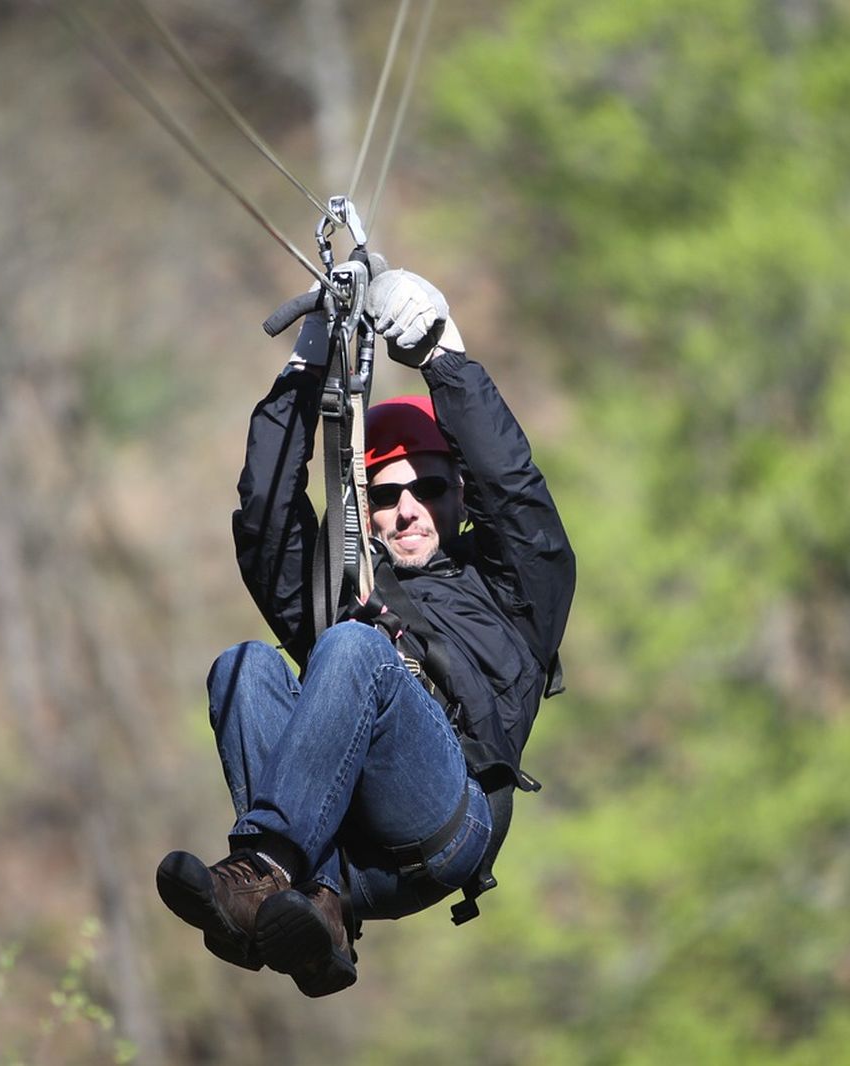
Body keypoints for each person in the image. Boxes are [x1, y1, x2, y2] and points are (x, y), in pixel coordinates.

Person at [156, 268, 575, 996]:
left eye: (430, 489)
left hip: (447, 818)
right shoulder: (340, 586)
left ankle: (264, 872)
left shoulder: (510, 591)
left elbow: (520, 501)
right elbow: (265, 521)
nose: (409, 509)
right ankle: (314, 917)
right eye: (386, 493)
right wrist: (303, 370)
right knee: (243, 665)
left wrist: (444, 357)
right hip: (344, 853)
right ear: (366, 506)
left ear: (459, 496)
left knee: (352, 646)